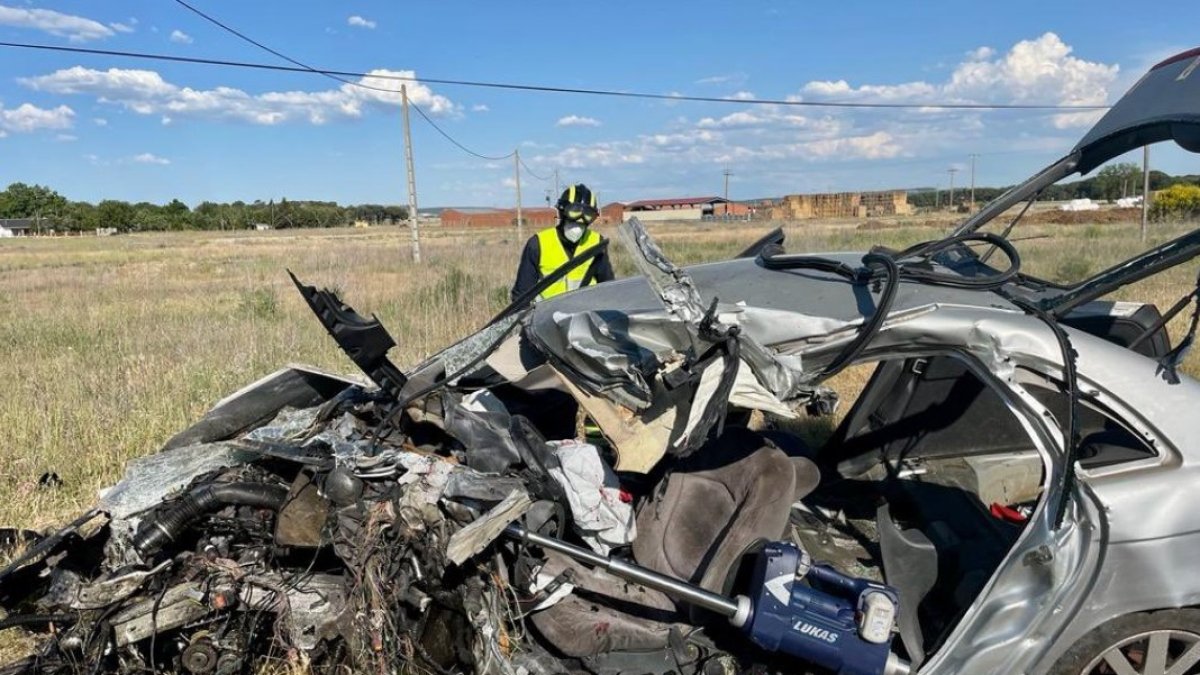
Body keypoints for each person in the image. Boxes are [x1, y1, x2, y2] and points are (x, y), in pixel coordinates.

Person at [511, 183, 614, 302]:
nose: (580, 219)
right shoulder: (538, 244)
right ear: (561, 211)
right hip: (548, 316)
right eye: (574, 211)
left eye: (587, 214)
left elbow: (608, 287)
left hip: (586, 315)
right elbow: (521, 295)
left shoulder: (597, 243)